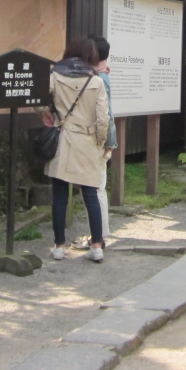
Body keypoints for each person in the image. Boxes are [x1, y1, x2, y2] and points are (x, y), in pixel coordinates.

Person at [42, 36, 110, 262]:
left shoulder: (55, 75)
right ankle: (97, 246)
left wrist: (47, 115)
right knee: (90, 193)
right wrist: (100, 142)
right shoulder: (96, 81)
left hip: (62, 138)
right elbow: (103, 119)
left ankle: (59, 247)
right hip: (87, 140)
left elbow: (39, 99)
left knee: (60, 194)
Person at [91, 35, 117, 245]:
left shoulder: (101, 79)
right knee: (98, 187)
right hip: (102, 139)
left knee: (97, 188)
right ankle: (100, 233)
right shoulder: (101, 75)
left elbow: (107, 115)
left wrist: (109, 143)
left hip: (100, 141)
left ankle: (99, 235)